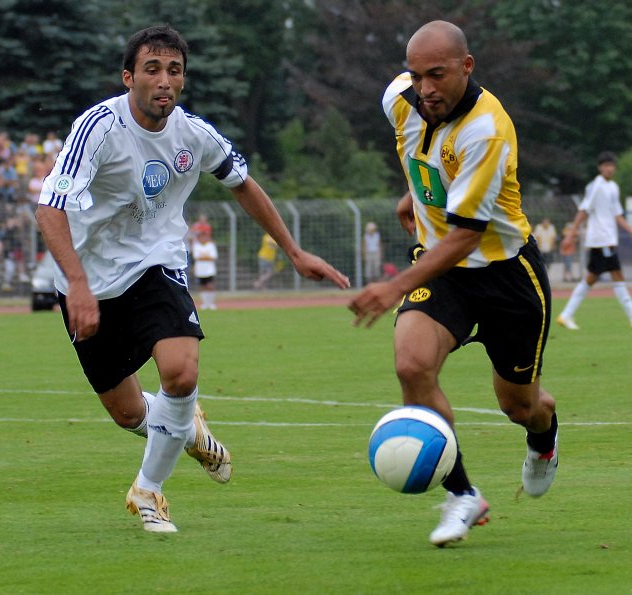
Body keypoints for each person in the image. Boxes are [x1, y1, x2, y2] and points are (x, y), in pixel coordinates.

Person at [35, 25, 349, 534]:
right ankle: (189, 431)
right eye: (152, 69)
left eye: (174, 70)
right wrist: (79, 285)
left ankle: (149, 490)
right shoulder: (98, 127)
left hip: (155, 264)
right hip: (87, 279)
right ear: (128, 77)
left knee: (180, 373)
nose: (164, 80)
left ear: (183, 79)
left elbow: (243, 184)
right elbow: (49, 209)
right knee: (127, 413)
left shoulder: (195, 135)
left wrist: (293, 251)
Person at [348, 21, 558, 548]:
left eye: (437, 75)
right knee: (412, 365)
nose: (425, 88)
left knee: (520, 406)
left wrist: (392, 287)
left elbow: (466, 236)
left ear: (467, 67)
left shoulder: (487, 129)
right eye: (416, 75)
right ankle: (463, 494)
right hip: (443, 273)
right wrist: (415, 194)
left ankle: (544, 438)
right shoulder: (400, 99)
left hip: (508, 277)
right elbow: (424, 156)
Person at [557, 152, 632, 330]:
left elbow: (616, 214)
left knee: (594, 278)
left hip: (608, 239)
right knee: (613, 276)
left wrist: (631, 230)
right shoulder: (596, 186)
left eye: (611, 165)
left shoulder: (613, 187)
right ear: (600, 168)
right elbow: (584, 210)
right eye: (605, 165)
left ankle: (566, 315)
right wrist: (571, 234)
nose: (609, 168)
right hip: (601, 239)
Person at [191, 223, 218, 310]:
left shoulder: (211, 245)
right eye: (201, 237)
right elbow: (196, 257)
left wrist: (203, 257)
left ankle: (211, 303)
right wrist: (206, 256)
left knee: (210, 286)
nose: (203, 238)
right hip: (200, 270)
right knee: (202, 286)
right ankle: (205, 303)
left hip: (209, 269)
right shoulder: (196, 246)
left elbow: (213, 256)